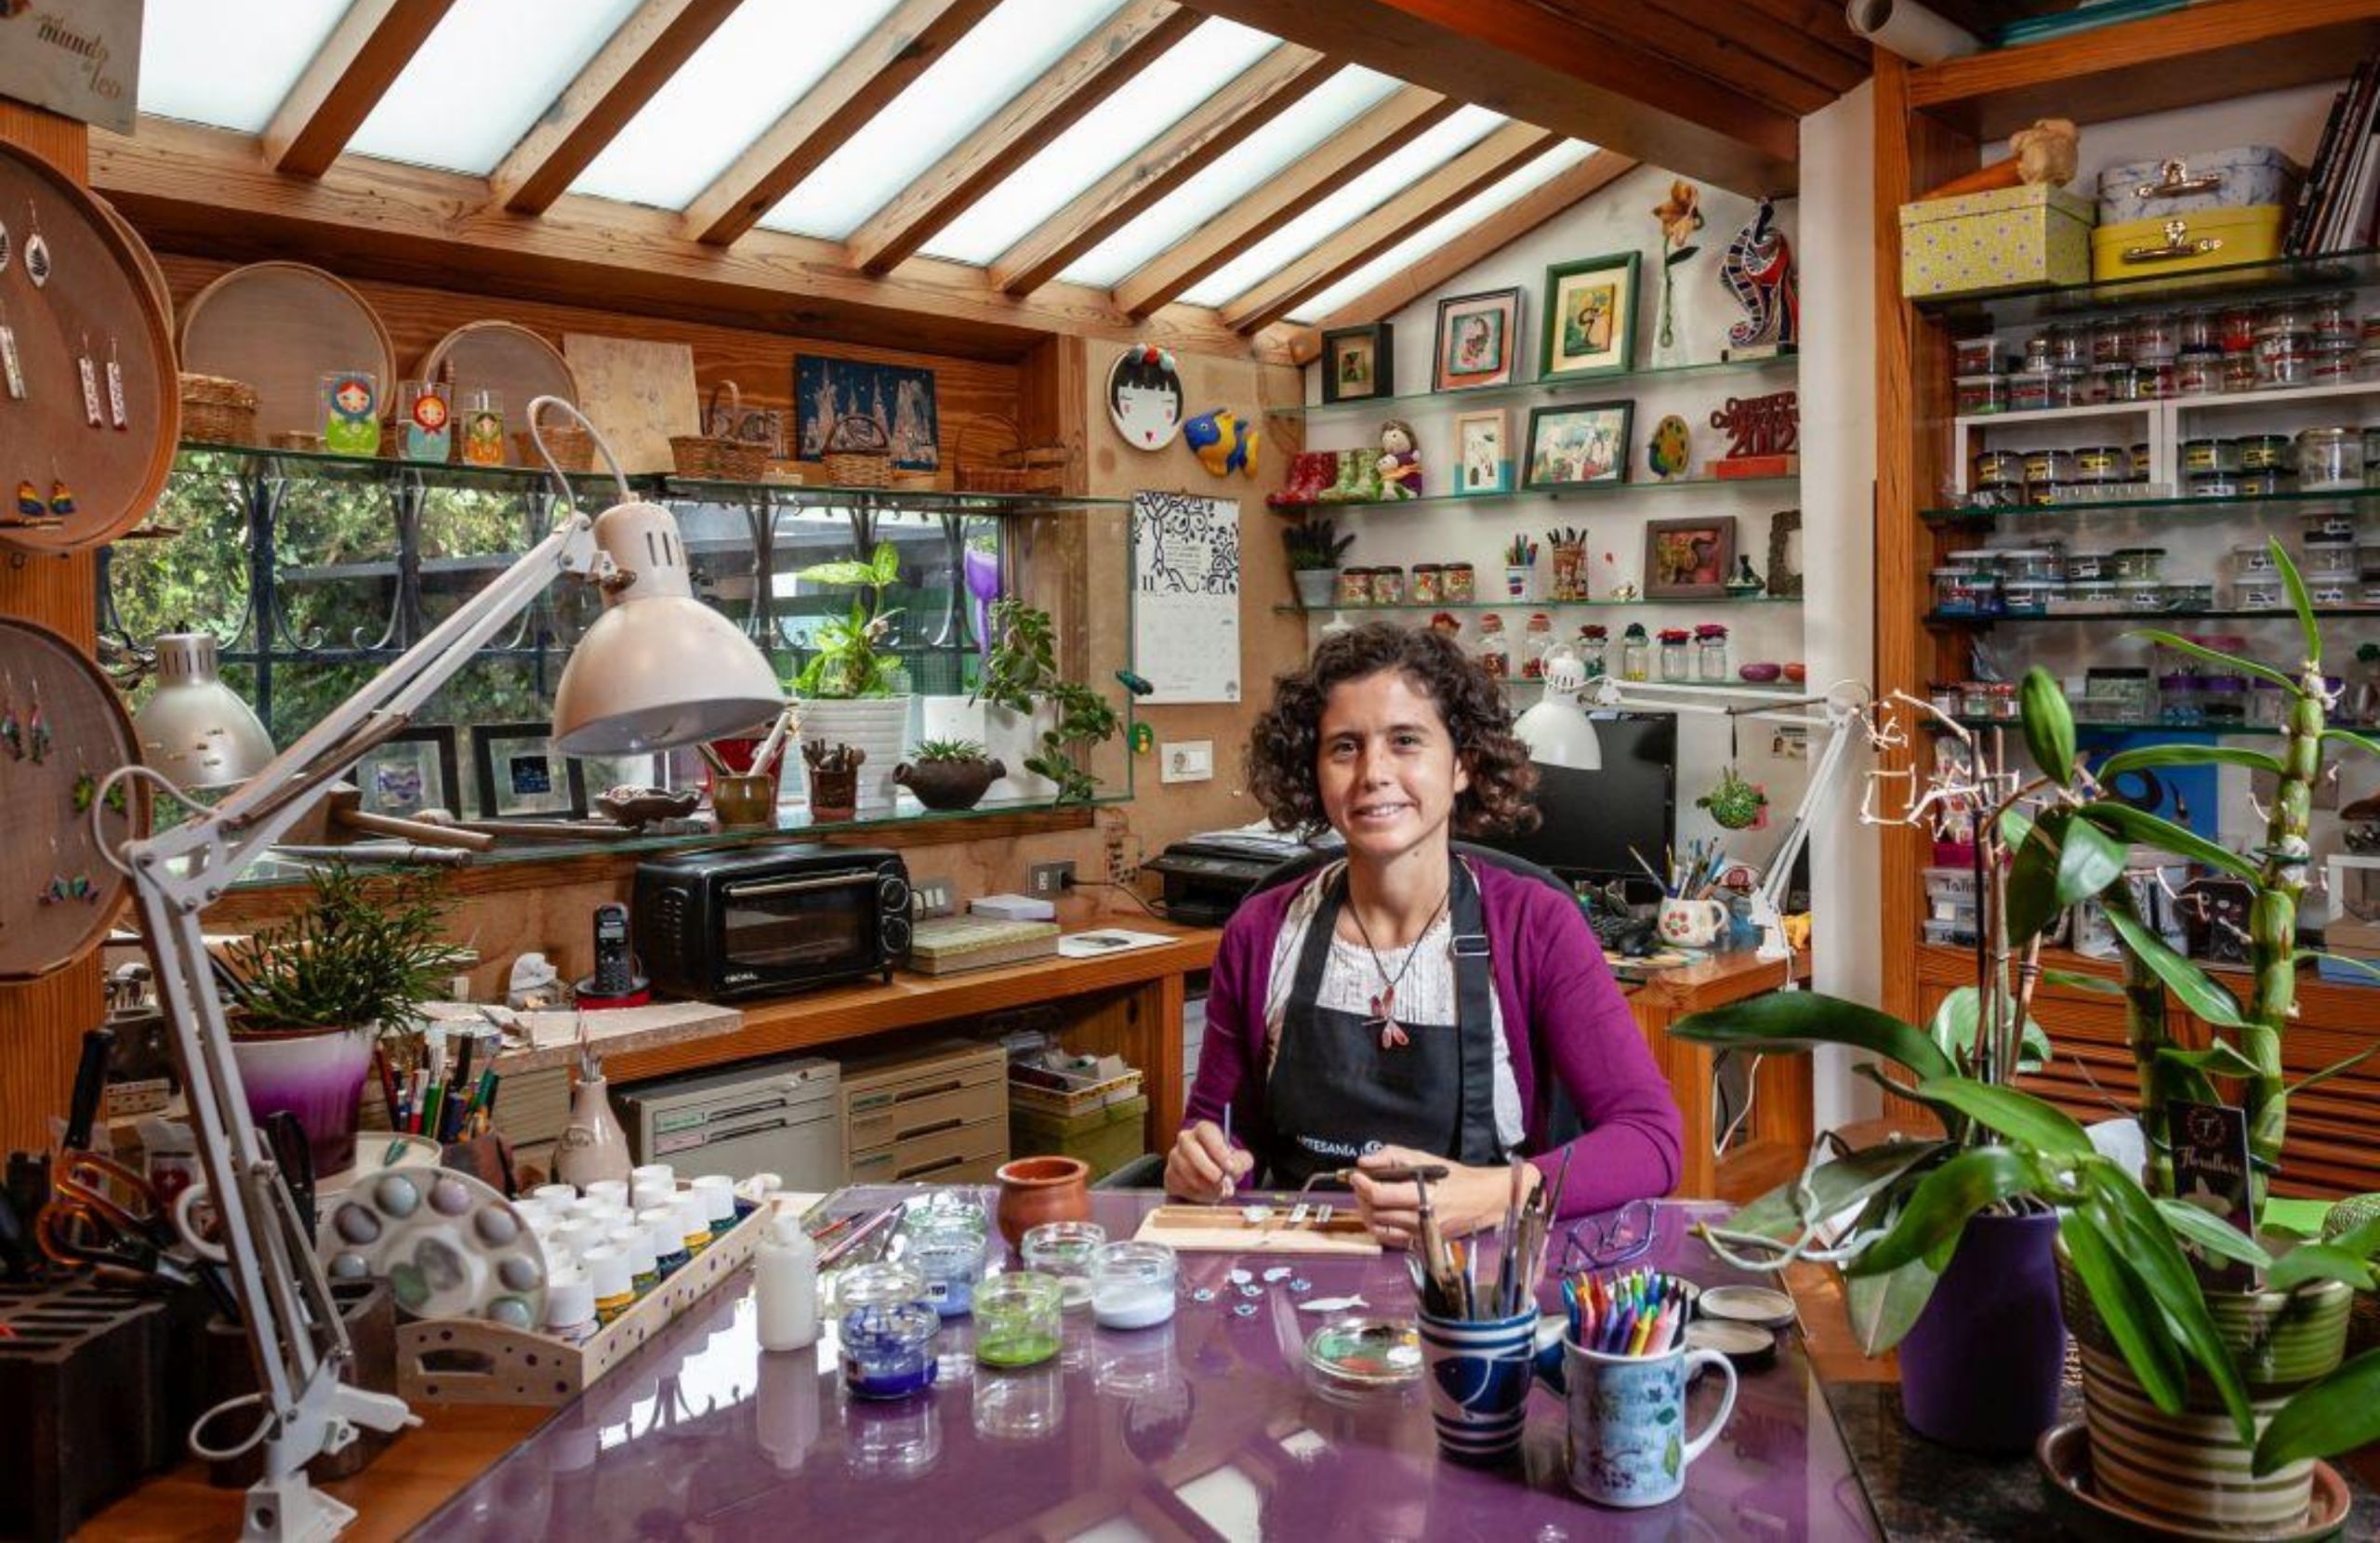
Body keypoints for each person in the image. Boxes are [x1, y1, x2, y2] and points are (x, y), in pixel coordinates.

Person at [1166, 625, 1682, 1243]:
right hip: (1304, 1263)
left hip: (1479, 1269)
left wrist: (1498, 1195)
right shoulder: (1260, 932)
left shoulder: (1536, 926)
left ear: (1463, 764)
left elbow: (1650, 1140)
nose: (1373, 773)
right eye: (1345, 748)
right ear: (1314, 772)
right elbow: (1222, 1136)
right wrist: (1204, 1167)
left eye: (1405, 741)